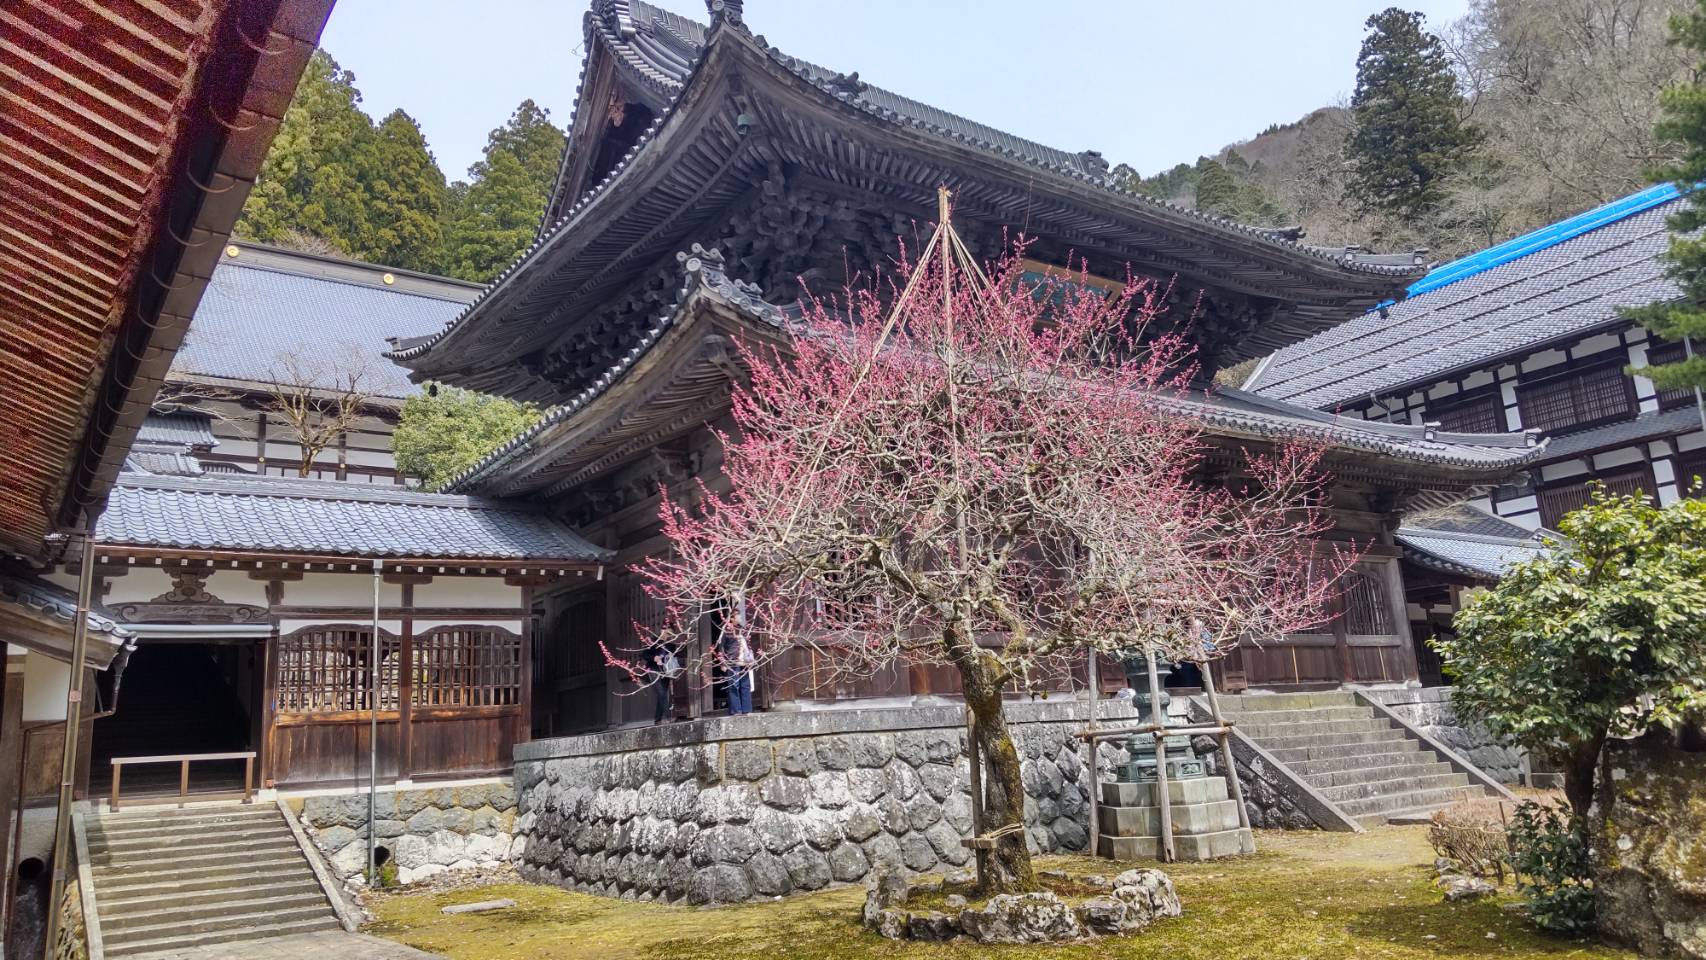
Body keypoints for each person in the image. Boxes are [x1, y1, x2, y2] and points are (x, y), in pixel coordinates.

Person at [724, 630, 756, 715]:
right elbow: (721, 646)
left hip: (745, 662)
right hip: (733, 662)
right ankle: (736, 710)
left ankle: (747, 709)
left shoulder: (744, 631)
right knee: (734, 685)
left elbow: (749, 645)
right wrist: (723, 663)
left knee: (746, 685)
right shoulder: (727, 631)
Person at [649, 640, 680, 725]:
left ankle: (657, 719)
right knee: (661, 693)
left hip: (666, 671)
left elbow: (677, 654)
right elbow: (645, 654)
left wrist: (672, 655)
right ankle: (669, 717)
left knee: (662, 694)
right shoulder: (653, 642)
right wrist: (654, 658)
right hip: (654, 670)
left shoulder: (671, 645)